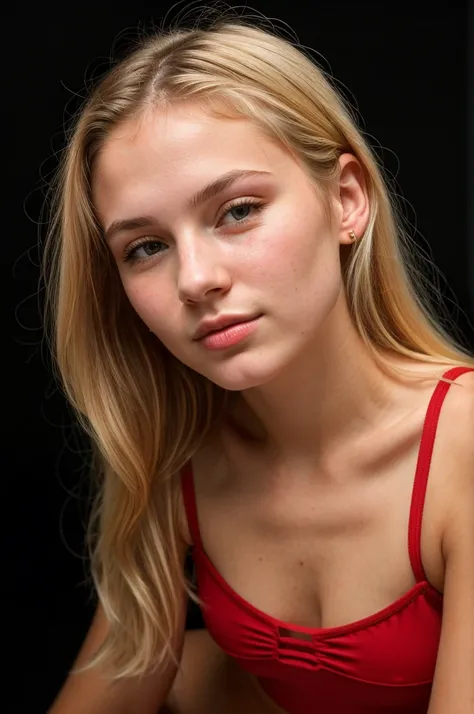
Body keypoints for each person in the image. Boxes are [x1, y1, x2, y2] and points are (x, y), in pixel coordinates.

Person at [44, 10, 474, 714]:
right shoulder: (181, 458)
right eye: (145, 247)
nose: (195, 279)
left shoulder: (463, 449)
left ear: (347, 200)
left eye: (237, 210)